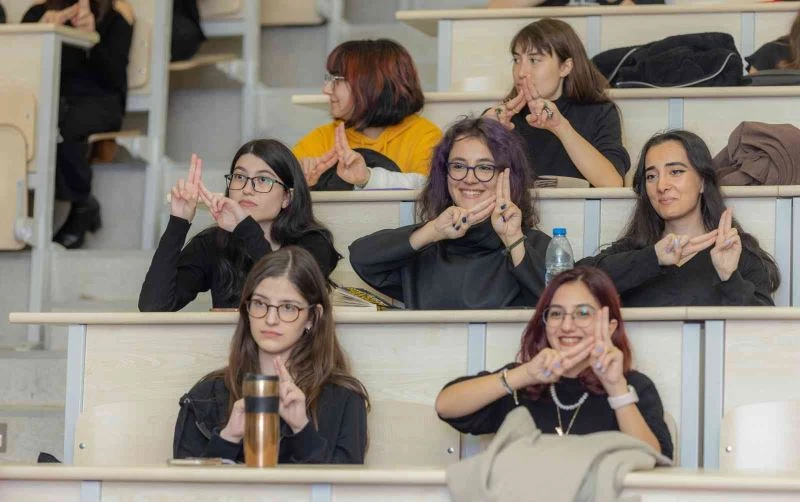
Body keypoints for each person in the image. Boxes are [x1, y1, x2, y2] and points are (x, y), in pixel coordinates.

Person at [436, 266, 673, 459]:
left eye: (582, 313)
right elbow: (446, 406)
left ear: (610, 326)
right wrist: (524, 375)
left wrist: (616, 389)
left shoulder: (632, 385)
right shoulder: (523, 381)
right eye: (557, 313)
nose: (566, 326)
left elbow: (656, 462)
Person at [173, 247, 369, 464]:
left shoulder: (345, 398)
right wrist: (228, 439)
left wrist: (301, 428)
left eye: (288, 307)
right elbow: (184, 483)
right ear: (246, 310)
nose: (271, 319)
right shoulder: (205, 395)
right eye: (260, 304)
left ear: (313, 317)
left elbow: (344, 483)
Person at [349, 117, 550, 309]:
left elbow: (553, 304)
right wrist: (433, 231)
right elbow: (361, 258)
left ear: (507, 176)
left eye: (484, 167)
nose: (469, 179)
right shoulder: (428, 243)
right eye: (459, 166)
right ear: (444, 174)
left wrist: (513, 240)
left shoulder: (533, 245)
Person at [578, 130, 780, 307]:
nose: (661, 186)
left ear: (702, 182)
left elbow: (764, 329)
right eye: (651, 176)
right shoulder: (636, 251)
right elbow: (576, 280)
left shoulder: (736, 253)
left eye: (675, 172)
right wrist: (653, 258)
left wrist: (729, 278)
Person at [139, 140, 341, 312]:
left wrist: (245, 229)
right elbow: (153, 306)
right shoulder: (212, 243)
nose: (247, 190)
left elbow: (288, 297)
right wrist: (178, 223)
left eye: (263, 179)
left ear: (287, 197)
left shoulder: (314, 242)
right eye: (240, 177)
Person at [23, 0, 134, 249]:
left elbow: (115, 77)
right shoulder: (38, 12)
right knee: (40, 119)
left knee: (63, 127)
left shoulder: (114, 17)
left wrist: (92, 39)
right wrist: (40, 32)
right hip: (53, 100)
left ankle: (81, 203)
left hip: (99, 100)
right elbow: (17, 63)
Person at [485, 18, 629, 187]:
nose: (521, 72)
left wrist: (560, 127)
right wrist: (485, 129)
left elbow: (612, 183)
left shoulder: (600, 112)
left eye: (534, 60)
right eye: (517, 60)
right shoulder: (502, 118)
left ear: (565, 67)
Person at [293, 39, 442, 190]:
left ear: (372, 84)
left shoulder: (425, 137)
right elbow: (282, 187)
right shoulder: (321, 139)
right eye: (328, 79)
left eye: (336, 79)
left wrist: (367, 178)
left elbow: (428, 192)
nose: (326, 90)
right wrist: (304, 183)